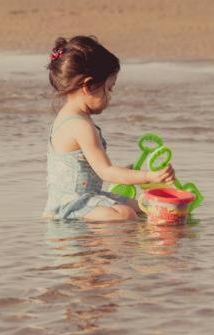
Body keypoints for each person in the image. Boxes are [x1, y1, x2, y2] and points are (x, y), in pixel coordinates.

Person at [43, 35, 175, 221]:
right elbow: (106, 171)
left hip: (85, 198)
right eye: (109, 88)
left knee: (144, 205)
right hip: (70, 207)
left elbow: (91, 167)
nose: (111, 96)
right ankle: (111, 240)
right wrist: (148, 176)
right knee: (126, 214)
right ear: (88, 86)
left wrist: (129, 172)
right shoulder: (80, 125)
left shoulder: (67, 117)